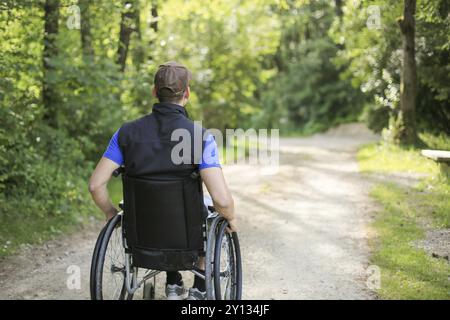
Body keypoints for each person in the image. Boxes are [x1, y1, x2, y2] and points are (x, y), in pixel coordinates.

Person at [88, 61, 236, 300]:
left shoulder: (125, 133)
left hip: (141, 236)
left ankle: (173, 280)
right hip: (187, 236)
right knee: (209, 212)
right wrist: (230, 217)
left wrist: (109, 213)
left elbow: (95, 185)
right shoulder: (201, 137)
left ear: (154, 92)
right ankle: (198, 286)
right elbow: (221, 199)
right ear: (187, 93)